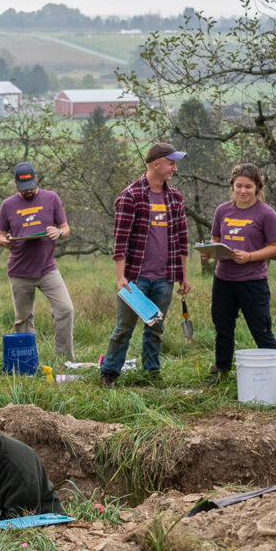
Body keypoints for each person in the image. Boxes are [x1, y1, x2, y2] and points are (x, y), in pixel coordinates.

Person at [100, 143, 191, 388]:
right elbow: (120, 241)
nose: (174, 168)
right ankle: (109, 373)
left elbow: (182, 239)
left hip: (165, 277)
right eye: (171, 163)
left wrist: (183, 276)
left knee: (156, 328)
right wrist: (121, 278)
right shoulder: (130, 196)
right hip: (135, 278)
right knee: (124, 328)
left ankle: (151, 372)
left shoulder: (175, 198)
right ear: (155, 164)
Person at [205, 163, 276, 382]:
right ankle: (221, 369)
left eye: (248, 186)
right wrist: (211, 251)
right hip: (223, 279)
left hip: (252, 281)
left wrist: (249, 256)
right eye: (239, 186)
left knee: (261, 329)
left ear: (257, 187)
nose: (243, 191)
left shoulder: (266, 214)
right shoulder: (222, 211)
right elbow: (216, 239)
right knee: (223, 327)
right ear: (232, 186)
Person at [0, 162, 75, 360]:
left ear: (36, 179)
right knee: (23, 319)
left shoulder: (51, 198)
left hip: (47, 269)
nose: (29, 191)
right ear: (16, 184)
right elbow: (0, 234)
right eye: (24, 188)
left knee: (65, 309)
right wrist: (5, 241)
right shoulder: (7, 205)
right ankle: (27, 362)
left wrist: (58, 232)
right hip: (19, 271)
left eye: (31, 186)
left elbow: (65, 228)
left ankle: (64, 360)